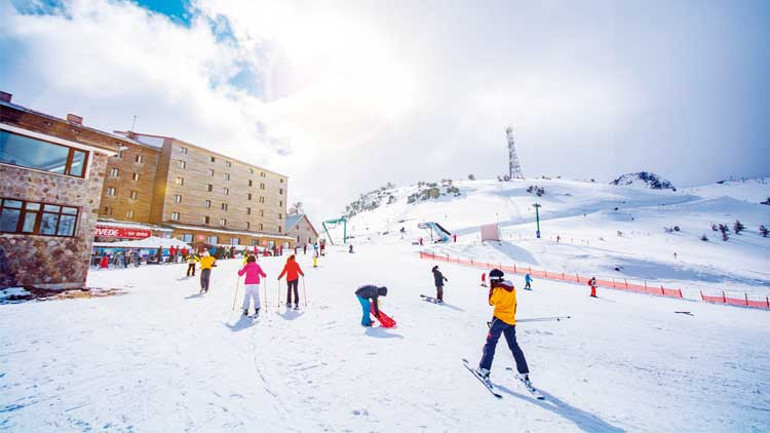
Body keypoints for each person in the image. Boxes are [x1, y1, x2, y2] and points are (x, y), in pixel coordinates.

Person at [476, 269, 531, 386]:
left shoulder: (498, 289)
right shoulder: (512, 288)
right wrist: (511, 317)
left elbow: (491, 302)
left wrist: (492, 289)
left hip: (499, 320)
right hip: (510, 321)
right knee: (514, 346)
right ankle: (523, 373)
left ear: (493, 279)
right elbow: (515, 304)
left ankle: (484, 369)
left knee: (490, 344)